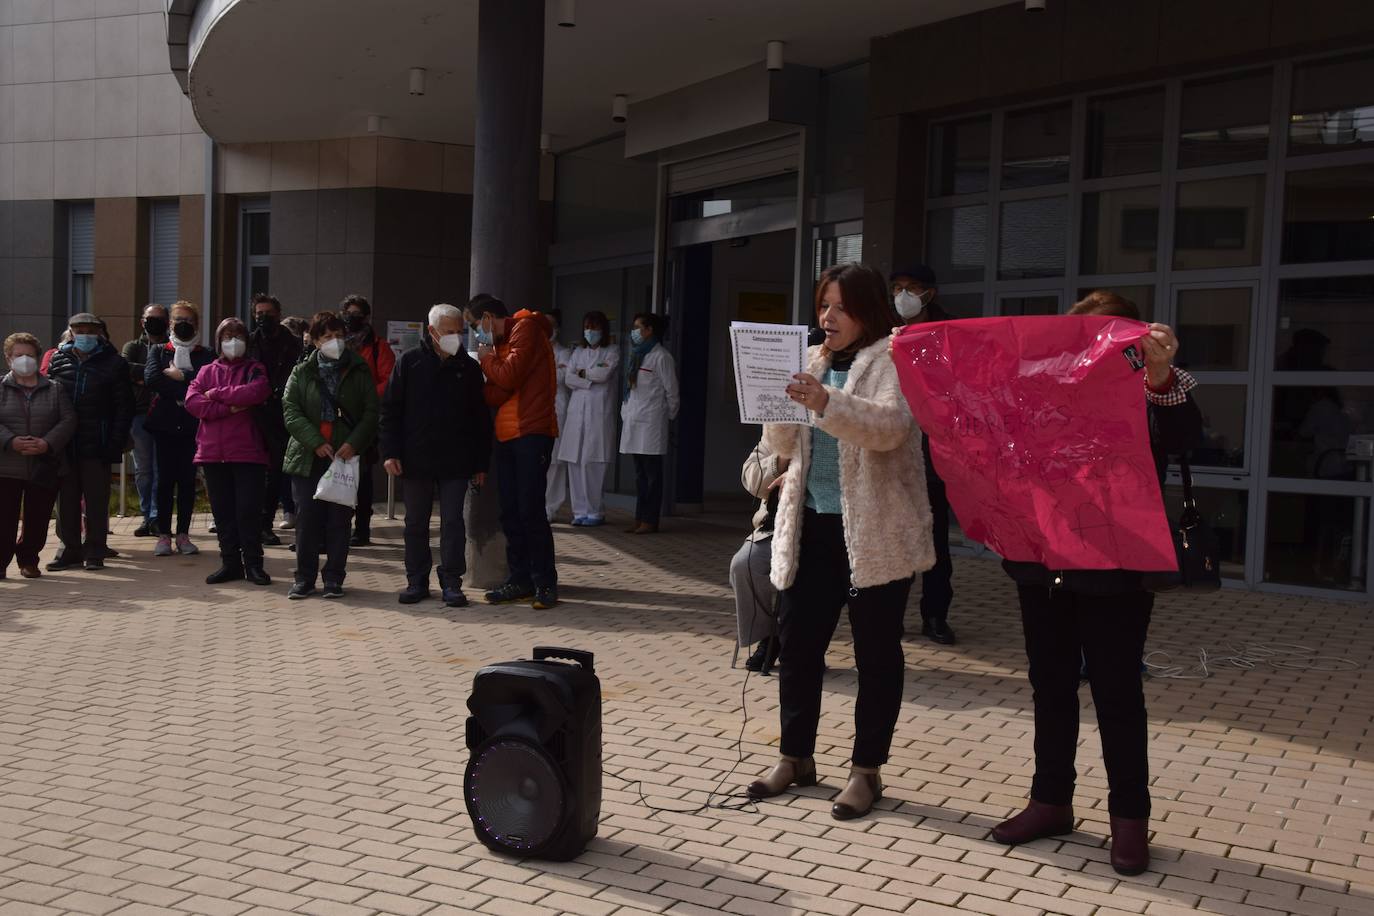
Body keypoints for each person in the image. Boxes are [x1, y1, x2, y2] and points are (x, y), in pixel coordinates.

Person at [991, 290, 1202, 877]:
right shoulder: (1043, 385)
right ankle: (1050, 802)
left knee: (1116, 691)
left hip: (1118, 564)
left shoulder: (1151, 380)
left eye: (1100, 336)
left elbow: (1186, 438)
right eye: (1077, 338)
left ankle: (1129, 822)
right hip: (1043, 559)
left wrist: (1159, 373)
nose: (1087, 349)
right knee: (1049, 684)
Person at [744, 263, 935, 821]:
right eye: (823, 305)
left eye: (841, 307)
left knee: (878, 653)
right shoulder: (809, 361)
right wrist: (777, 406)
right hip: (811, 523)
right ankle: (794, 757)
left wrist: (827, 404)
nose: (827, 318)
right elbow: (780, 442)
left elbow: (891, 429)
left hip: (876, 532)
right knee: (799, 647)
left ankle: (865, 771)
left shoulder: (895, 360)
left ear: (868, 311)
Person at [381, 304, 492, 607]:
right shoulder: (410, 363)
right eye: (449, 331)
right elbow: (390, 410)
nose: (456, 337)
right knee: (415, 523)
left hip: (457, 460)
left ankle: (451, 583)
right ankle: (416, 581)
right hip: (415, 459)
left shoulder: (468, 368)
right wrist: (390, 452)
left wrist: (481, 463)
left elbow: (480, 419)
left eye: (460, 331)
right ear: (431, 331)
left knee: (453, 523)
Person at [468, 295, 560, 609]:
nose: (476, 334)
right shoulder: (502, 343)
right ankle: (520, 579)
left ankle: (544, 582)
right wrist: (498, 370)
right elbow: (496, 392)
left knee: (530, 509)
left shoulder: (526, 329)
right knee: (510, 510)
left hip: (532, 432)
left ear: (487, 317)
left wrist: (485, 360)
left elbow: (507, 377)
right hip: (507, 434)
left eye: (474, 325)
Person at [281, 311, 379, 600]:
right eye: (327, 336)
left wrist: (354, 443)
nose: (334, 341)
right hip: (309, 455)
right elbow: (291, 410)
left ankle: (334, 578)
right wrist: (314, 441)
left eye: (338, 335)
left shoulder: (359, 369)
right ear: (314, 340)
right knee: (307, 521)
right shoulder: (301, 371)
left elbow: (371, 413)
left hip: (344, 456)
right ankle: (304, 579)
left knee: (339, 521)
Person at [890, 264, 957, 645]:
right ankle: (891, 615)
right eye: (897, 288)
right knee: (897, 539)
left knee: (935, 544)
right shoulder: (883, 331)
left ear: (929, 293)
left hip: (935, 454)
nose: (903, 296)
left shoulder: (949, 331)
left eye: (910, 288)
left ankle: (935, 615)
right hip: (895, 450)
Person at [186, 318, 273, 586]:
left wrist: (217, 394)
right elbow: (193, 402)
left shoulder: (255, 368)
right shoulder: (206, 370)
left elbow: (257, 392)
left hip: (248, 452)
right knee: (223, 514)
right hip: (213, 453)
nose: (232, 340)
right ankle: (230, 563)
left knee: (248, 511)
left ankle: (254, 565)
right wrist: (227, 407)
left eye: (238, 335)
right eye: (227, 335)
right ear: (218, 340)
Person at [44, 313, 134, 571]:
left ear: (99, 333)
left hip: (99, 443)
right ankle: (69, 550)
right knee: (67, 500)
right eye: (78, 329)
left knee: (96, 500)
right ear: (70, 331)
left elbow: (123, 407)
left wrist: (115, 442)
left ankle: (95, 550)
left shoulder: (114, 363)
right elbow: (49, 400)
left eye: (89, 330)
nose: (84, 334)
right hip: (65, 443)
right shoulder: (58, 359)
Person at [0, 333, 76, 579]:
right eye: (18, 355)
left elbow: (68, 420)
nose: (24, 360)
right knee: (4, 520)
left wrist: (46, 443)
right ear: (8, 358)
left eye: (29, 355)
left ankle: (29, 560)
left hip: (44, 466)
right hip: (6, 466)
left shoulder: (54, 388)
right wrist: (11, 441)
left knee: (38, 518)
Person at [145, 300, 213, 557]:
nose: (183, 324)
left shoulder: (206, 353)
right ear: (170, 323)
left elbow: (208, 384)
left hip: (193, 425)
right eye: (178, 320)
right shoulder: (160, 350)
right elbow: (153, 379)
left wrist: (181, 377)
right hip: (164, 425)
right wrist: (190, 388)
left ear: (196, 324)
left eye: (188, 320)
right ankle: (163, 534)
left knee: (186, 480)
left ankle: (183, 534)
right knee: (164, 480)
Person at [246, 294, 301, 546]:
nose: (263, 318)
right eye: (258, 314)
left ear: (278, 315)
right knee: (254, 474)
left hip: (281, 415)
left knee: (275, 474)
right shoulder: (248, 342)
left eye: (268, 313)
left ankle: (265, 523)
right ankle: (251, 524)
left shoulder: (293, 344)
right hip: (253, 414)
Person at [339, 294, 394, 547]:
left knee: (363, 477)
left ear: (367, 317)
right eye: (348, 313)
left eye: (357, 314)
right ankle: (338, 526)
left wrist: (366, 398)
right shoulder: (337, 343)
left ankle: (362, 528)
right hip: (340, 417)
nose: (352, 318)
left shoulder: (377, 346)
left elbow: (388, 379)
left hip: (366, 418)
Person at [556, 310, 619, 527]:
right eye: (587, 327)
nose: (590, 331)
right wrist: (588, 377)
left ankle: (595, 511)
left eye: (595, 327)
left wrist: (582, 374)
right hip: (577, 414)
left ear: (603, 329)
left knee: (593, 463)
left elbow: (604, 375)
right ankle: (579, 511)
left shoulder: (612, 351)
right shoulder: (578, 353)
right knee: (574, 462)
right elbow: (568, 378)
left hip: (598, 414)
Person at [729, 438, 786, 671]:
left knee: (811, 571)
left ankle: (804, 641)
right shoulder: (779, 427)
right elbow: (751, 478)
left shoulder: (835, 421)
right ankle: (770, 636)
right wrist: (781, 461)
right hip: (774, 526)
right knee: (744, 564)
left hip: (822, 527)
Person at [619, 312, 679, 534]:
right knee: (640, 474)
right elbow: (630, 392)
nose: (634, 332)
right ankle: (639, 517)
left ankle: (650, 520)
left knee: (652, 475)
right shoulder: (637, 355)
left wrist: (667, 416)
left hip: (652, 422)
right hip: (636, 421)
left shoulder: (661, 357)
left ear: (649, 330)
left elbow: (672, 392)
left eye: (638, 328)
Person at [121, 303, 169, 537]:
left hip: (165, 413)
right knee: (143, 469)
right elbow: (124, 368)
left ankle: (157, 516)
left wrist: (144, 377)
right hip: (139, 413)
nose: (155, 322)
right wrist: (155, 375)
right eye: (151, 318)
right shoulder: (133, 346)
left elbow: (177, 371)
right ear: (142, 322)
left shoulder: (172, 345)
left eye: (160, 318)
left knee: (161, 468)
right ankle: (145, 515)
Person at [544, 310, 573, 522]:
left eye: (552, 325)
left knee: (555, 460)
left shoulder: (564, 353)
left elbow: (563, 377)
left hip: (558, 406)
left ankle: (551, 507)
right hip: (537, 409)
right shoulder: (533, 350)